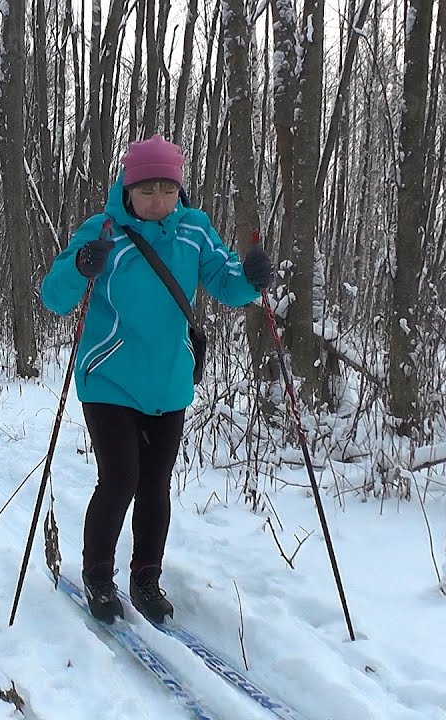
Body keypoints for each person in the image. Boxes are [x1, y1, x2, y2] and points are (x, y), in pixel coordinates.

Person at [41, 134, 274, 624]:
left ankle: (146, 577)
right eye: (147, 190)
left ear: (179, 187)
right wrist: (81, 267)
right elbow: (55, 298)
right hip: (107, 379)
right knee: (121, 477)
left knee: (155, 486)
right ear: (128, 188)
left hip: (168, 383)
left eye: (167, 189)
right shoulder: (102, 231)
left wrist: (252, 277)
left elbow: (226, 284)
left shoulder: (195, 231)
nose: (157, 201)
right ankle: (99, 576)